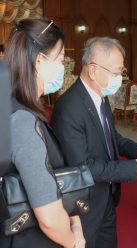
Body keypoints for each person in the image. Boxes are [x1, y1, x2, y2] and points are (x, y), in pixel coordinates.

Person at [51, 37, 137, 248]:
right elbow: (83, 167)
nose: (120, 78)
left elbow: (111, 137)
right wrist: (133, 168)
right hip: (85, 205)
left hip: (107, 195)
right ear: (93, 70)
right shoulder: (69, 108)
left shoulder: (101, 95)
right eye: (117, 72)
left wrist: (136, 150)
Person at [0, 19, 85, 248]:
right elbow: (48, 219)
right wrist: (73, 242)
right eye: (60, 59)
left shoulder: (11, 106)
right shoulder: (22, 121)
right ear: (39, 60)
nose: (63, 66)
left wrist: (74, 220)